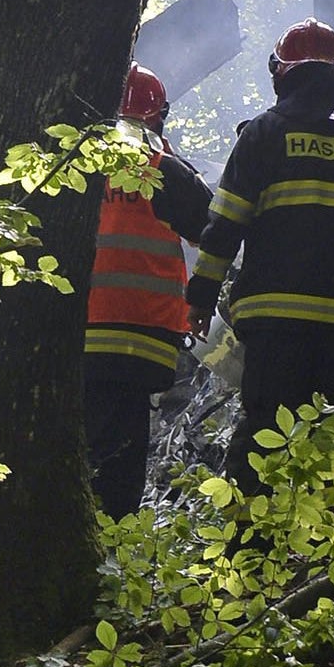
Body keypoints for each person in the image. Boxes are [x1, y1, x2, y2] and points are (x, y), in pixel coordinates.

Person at [185, 21, 334, 489]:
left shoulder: (262, 136)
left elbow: (224, 227)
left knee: (265, 432)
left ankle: (250, 551)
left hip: (272, 323)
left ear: (280, 74)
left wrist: (200, 298)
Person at [82, 64, 214, 518]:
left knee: (82, 437)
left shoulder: (69, 168)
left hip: (75, 335)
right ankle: (111, 536)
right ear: (157, 116)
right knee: (122, 448)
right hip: (143, 338)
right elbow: (212, 232)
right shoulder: (164, 171)